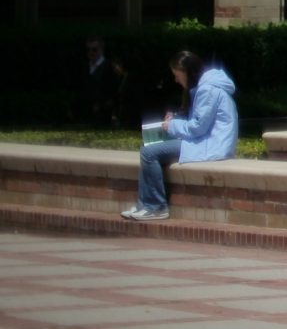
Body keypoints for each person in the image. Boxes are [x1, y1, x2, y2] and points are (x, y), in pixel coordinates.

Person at [122, 51, 237, 221]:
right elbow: (198, 120)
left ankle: (157, 206)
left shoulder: (207, 90)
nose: (176, 80)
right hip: (203, 141)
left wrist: (172, 125)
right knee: (148, 148)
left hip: (211, 144)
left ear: (187, 72)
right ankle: (145, 204)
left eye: (177, 75)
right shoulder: (204, 87)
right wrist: (176, 119)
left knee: (149, 153)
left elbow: (198, 127)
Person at [83, 37, 126, 128]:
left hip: (105, 112)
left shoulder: (109, 67)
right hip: (87, 112)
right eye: (88, 50)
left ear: (101, 50)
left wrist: (103, 106)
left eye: (94, 50)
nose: (91, 52)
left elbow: (115, 91)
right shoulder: (85, 67)